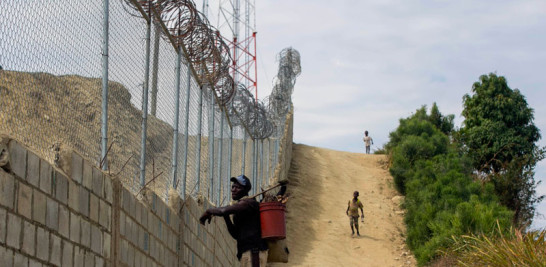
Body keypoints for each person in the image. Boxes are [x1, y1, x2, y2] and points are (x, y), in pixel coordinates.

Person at [199, 175, 269, 267]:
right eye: (233, 187)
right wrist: (226, 216)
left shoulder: (248, 203)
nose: (233, 190)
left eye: (238, 187)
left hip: (254, 254)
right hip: (248, 254)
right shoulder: (242, 208)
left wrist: (209, 211)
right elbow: (236, 234)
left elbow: (223, 210)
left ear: (245, 190)